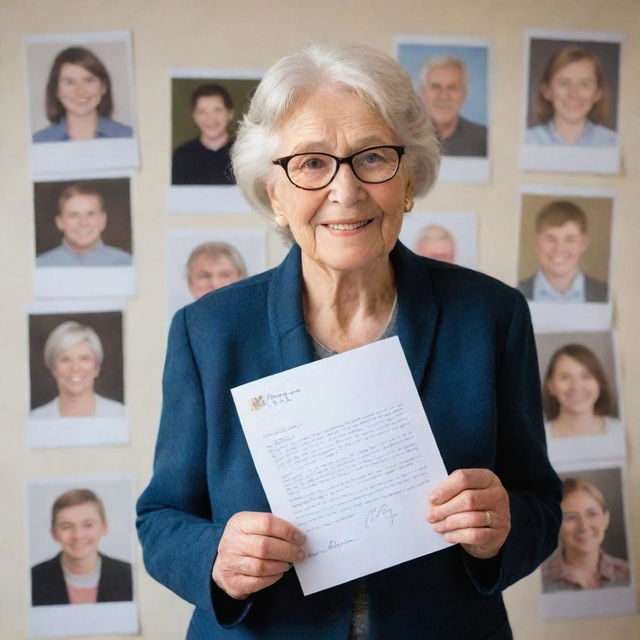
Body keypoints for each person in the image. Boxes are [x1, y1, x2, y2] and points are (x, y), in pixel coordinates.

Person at [137, 43, 561, 639]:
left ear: (407, 176)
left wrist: (504, 526)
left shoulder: (492, 315)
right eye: (311, 163)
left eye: (372, 157)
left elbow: (540, 502)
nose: (346, 189)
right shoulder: (208, 331)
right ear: (274, 193)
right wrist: (216, 556)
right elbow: (160, 520)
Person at [32, 488, 133, 606]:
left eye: (88, 525)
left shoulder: (128, 575)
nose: (78, 536)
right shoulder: (34, 579)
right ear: (54, 533)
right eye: (67, 526)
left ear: (104, 527)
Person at [542, 477, 630, 592]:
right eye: (571, 517)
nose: (583, 526)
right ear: (557, 524)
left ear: (606, 518)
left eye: (592, 514)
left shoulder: (628, 573)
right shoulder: (540, 581)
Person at [33, 47, 133, 143]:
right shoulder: (38, 141)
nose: (80, 91)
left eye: (89, 80)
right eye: (70, 82)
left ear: (103, 87)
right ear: (56, 90)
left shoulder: (128, 136)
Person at [30, 321, 125, 419]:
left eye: (84, 359)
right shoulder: (36, 418)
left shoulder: (120, 415)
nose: (75, 368)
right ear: (53, 368)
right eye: (65, 359)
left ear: (97, 367)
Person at [526, 45, 617, 147]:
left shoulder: (611, 142)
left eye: (584, 84)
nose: (574, 94)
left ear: (597, 94)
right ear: (547, 91)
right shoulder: (528, 140)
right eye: (564, 83)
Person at [518, 200, 608, 303]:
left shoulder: (605, 294)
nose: (559, 249)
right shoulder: (516, 292)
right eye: (550, 239)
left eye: (569, 239)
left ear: (583, 243)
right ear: (536, 243)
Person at [36, 183, 132, 267]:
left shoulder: (126, 263)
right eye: (74, 215)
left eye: (90, 214)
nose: (83, 223)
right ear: (60, 222)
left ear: (103, 220)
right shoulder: (40, 265)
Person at [543, 344, 619, 438]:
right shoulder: (537, 438)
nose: (576, 386)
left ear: (599, 383)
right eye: (565, 377)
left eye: (586, 377)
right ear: (551, 386)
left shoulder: (620, 431)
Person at [419, 54, 487, 157]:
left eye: (452, 87)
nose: (444, 96)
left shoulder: (483, 138)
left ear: (464, 94)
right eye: (436, 87)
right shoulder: (405, 136)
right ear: (423, 92)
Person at [172, 83, 236, 185]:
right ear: (194, 116)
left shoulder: (244, 153)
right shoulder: (182, 156)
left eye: (217, 110)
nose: (210, 118)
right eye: (202, 112)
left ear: (230, 113)